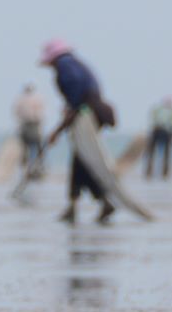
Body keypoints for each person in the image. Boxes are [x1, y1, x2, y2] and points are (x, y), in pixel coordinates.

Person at [40, 40, 119, 224]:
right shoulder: (76, 64)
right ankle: (84, 205)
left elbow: (77, 99)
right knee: (82, 161)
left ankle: (94, 203)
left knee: (83, 161)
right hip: (89, 114)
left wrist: (59, 129)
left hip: (85, 116)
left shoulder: (65, 66)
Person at [13, 83, 46, 180]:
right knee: (34, 148)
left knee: (26, 149)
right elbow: (41, 114)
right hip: (33, 126)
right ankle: (34, 168)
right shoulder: (38, 98)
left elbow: (16, 112)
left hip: (26, 126)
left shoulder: (20, 99)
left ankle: (28, 169)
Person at [145, 97, 172, 179]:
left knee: (166, 154)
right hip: (157, 131)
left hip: (167, 133)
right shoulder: (158, 110)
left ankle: (165, 173)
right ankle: (149, 172)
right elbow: (152, 119)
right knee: (151, 153)